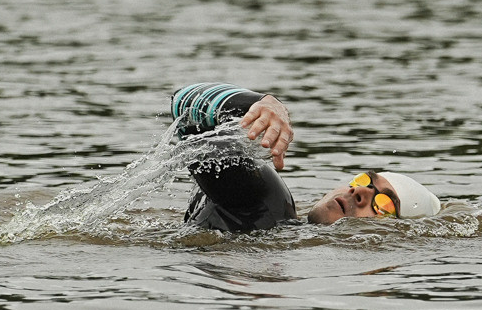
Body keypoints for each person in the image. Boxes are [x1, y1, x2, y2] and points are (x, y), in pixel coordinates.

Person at [166, 82, 442, 233]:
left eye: (383, 204)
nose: (359, 192)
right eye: (364, 180)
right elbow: (184, 104)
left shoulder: (273, 223)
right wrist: (261, 104)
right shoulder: (268, 204)